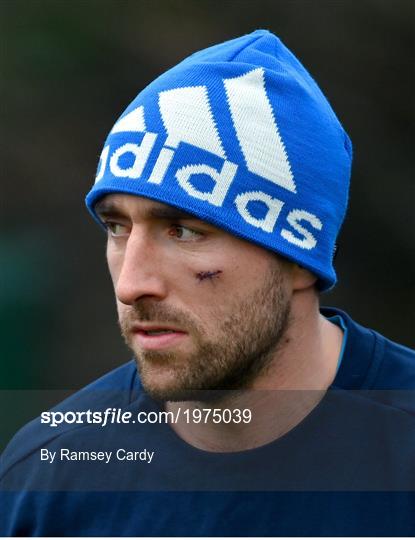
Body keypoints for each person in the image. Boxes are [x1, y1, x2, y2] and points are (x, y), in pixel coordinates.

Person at [1, 29, 414, 536]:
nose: (131, 284)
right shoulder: (48, 479)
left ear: (301, 259)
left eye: (184, 230)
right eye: (117, 227)